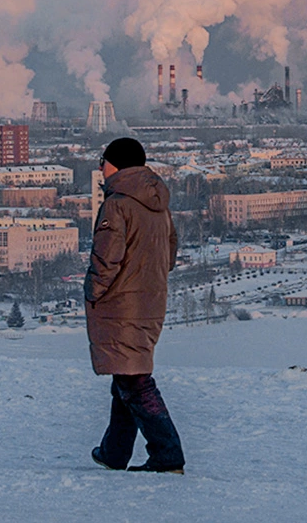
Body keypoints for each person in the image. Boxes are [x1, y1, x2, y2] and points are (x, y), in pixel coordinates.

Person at [86, 137, 185, 474]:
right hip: (151, 300)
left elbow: (106, 258)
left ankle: (167, 453)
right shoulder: (158, 202)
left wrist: (93, 291)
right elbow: (170, 252)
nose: (101, 167)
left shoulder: (117, 204)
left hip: (122, 305)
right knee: (126, 376)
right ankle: (114, 452)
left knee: (135, 381)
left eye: (104, 160)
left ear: (118, 164)